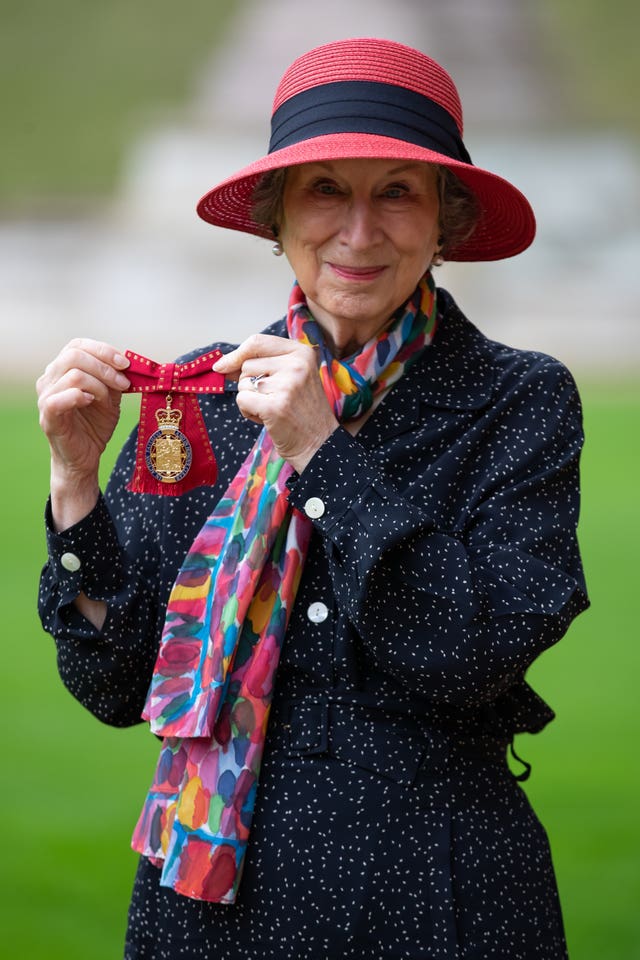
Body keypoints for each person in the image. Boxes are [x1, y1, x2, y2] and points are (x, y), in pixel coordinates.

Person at [37, 37, 588, 960]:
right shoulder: (199, 398)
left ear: (445, 219)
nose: (359, 232)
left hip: (440, 894)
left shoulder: (520, 398)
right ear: (277, 216)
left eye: (397, 192)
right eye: (327, 189)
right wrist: (76, 485)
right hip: (210, 906)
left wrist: (319, 450)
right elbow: (114, 684)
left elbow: (472, 652)